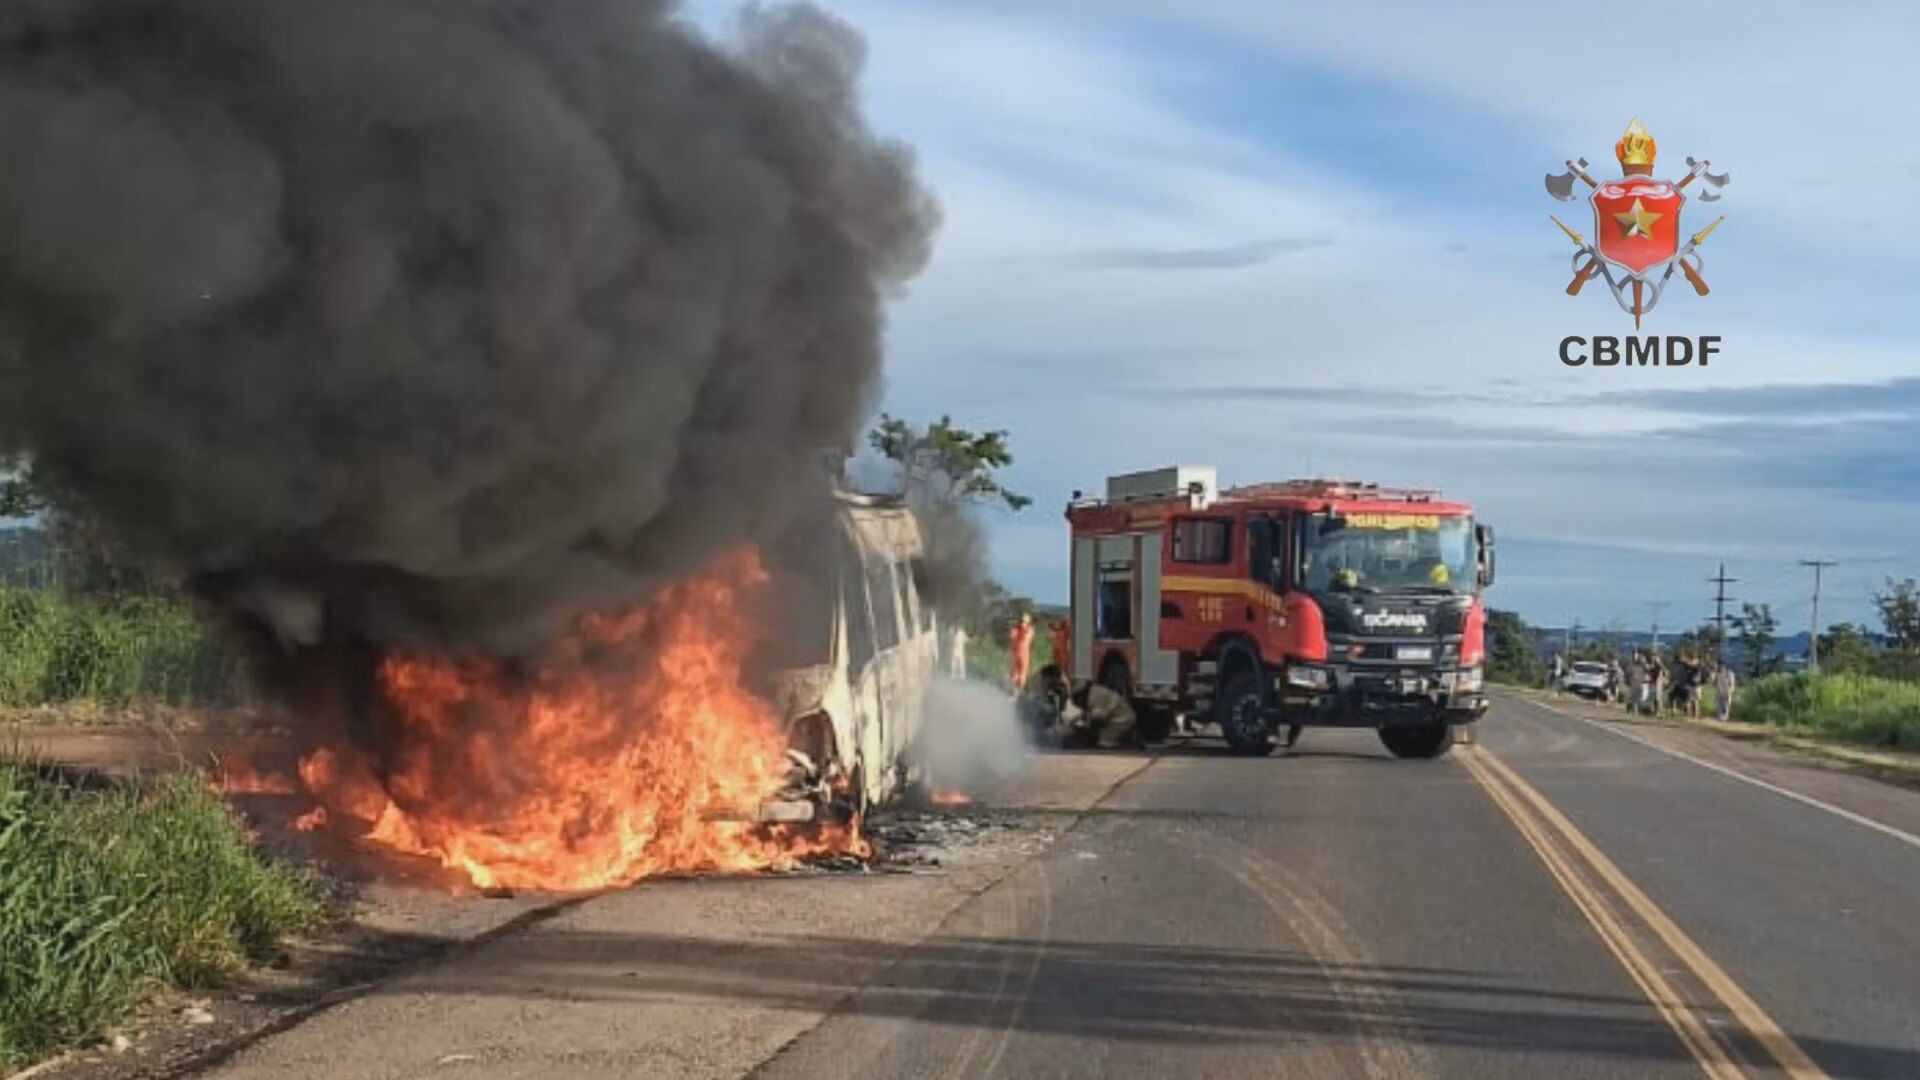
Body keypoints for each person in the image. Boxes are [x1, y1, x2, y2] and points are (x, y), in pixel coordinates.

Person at [1008, 612, 1034, 690]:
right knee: (1015, 672)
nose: (1022, 623)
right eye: (1021, 621)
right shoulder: (1016, 629)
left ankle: (1019, 688)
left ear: (1028, 622)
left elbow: (1026, 639)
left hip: (1024, 654)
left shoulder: (1029, 630)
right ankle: (1013, 688)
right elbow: (1012, 637)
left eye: (1024, 621)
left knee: (1022, 673)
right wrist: (1014, 628)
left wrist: (1022, 630)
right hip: (1016, 653)